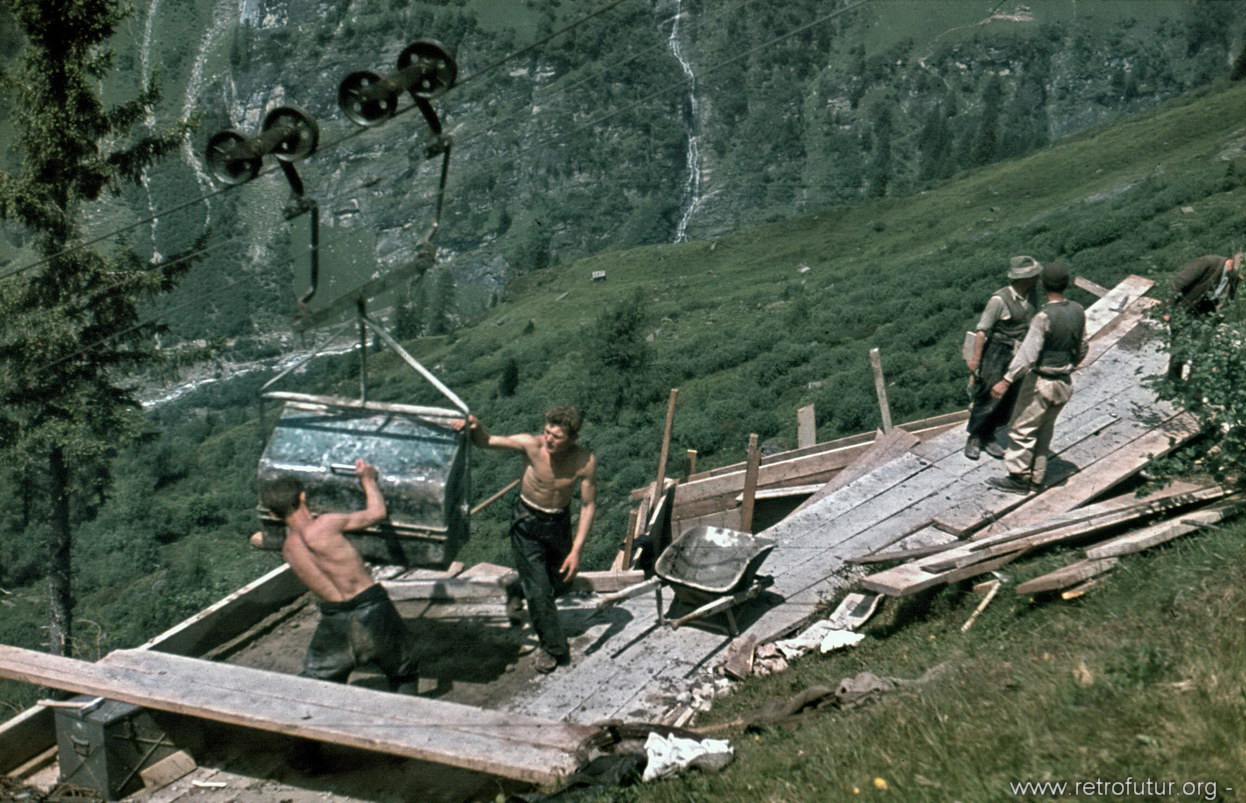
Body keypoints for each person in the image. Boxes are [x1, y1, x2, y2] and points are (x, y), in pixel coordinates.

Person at [455, 405, 598, 674]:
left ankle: (517, 588)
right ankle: (553, 648)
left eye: (557, 436)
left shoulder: (584, 461)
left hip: (558, 523)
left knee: (561, 582)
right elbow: (487, 441)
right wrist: (475, 426)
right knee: (541, 591)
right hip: (527, 522)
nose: (549, 440)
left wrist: (576, 550)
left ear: (573, 439)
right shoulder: (531, 445)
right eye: (547, 432)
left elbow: (588, 506)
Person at [260, 459, 419, 693]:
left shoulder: (288, 550)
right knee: (403, 672)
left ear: (273, 513)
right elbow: (377, 513)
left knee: (321, 680)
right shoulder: (326, 524)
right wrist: (368, 479)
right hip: (371, 606)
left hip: (335, 618)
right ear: (303, 497)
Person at [987, 263, 1087, 495]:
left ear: (1043, 286)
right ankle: (1037, 476)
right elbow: (1083, 346)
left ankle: (1020, 478)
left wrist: (1006, 380)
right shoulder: (1078, 310)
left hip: (1042, 381)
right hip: (1064, 381)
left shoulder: (1044, 317)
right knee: (1044, 430)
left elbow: (1027, 354)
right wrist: (1071, 366)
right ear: (1066, 283)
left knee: (1021, 429)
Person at [963, 255, 1041, 460]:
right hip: (998, 351)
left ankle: (989, 434)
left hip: (1019, 350)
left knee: (1009, 395)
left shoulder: (1032, 295)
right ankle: (974, 436)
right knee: (989, 393)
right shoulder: (999, 300)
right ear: (1023, 278)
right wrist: (976, 360)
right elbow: (982, 332)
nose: (1037, 279)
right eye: (1033, 275)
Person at [1165, 251, 1241, 381]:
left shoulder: (1235, 276)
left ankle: (1193, 388)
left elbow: (1229, 298)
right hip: (1185, 308)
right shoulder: (1208, 262)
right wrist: (1168, 310)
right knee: (1179, 348)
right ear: (1233, 263)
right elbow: (1177, 283)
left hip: (1206, 313)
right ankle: (1173, 382)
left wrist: (1218, 317)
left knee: (1201, 350)